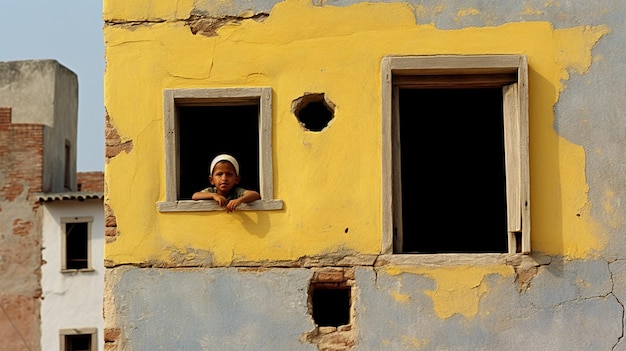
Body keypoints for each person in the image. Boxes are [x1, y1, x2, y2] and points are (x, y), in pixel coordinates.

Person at [192, 154, 261, 212]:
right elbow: (195, 196)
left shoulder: (236, 192)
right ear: (211, 180)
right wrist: (214, 196)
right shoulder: (211, 191)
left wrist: (238, 201)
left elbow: (255, 194)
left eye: (229, 174)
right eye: (219, 174)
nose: (224, 178)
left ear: (237, 179)